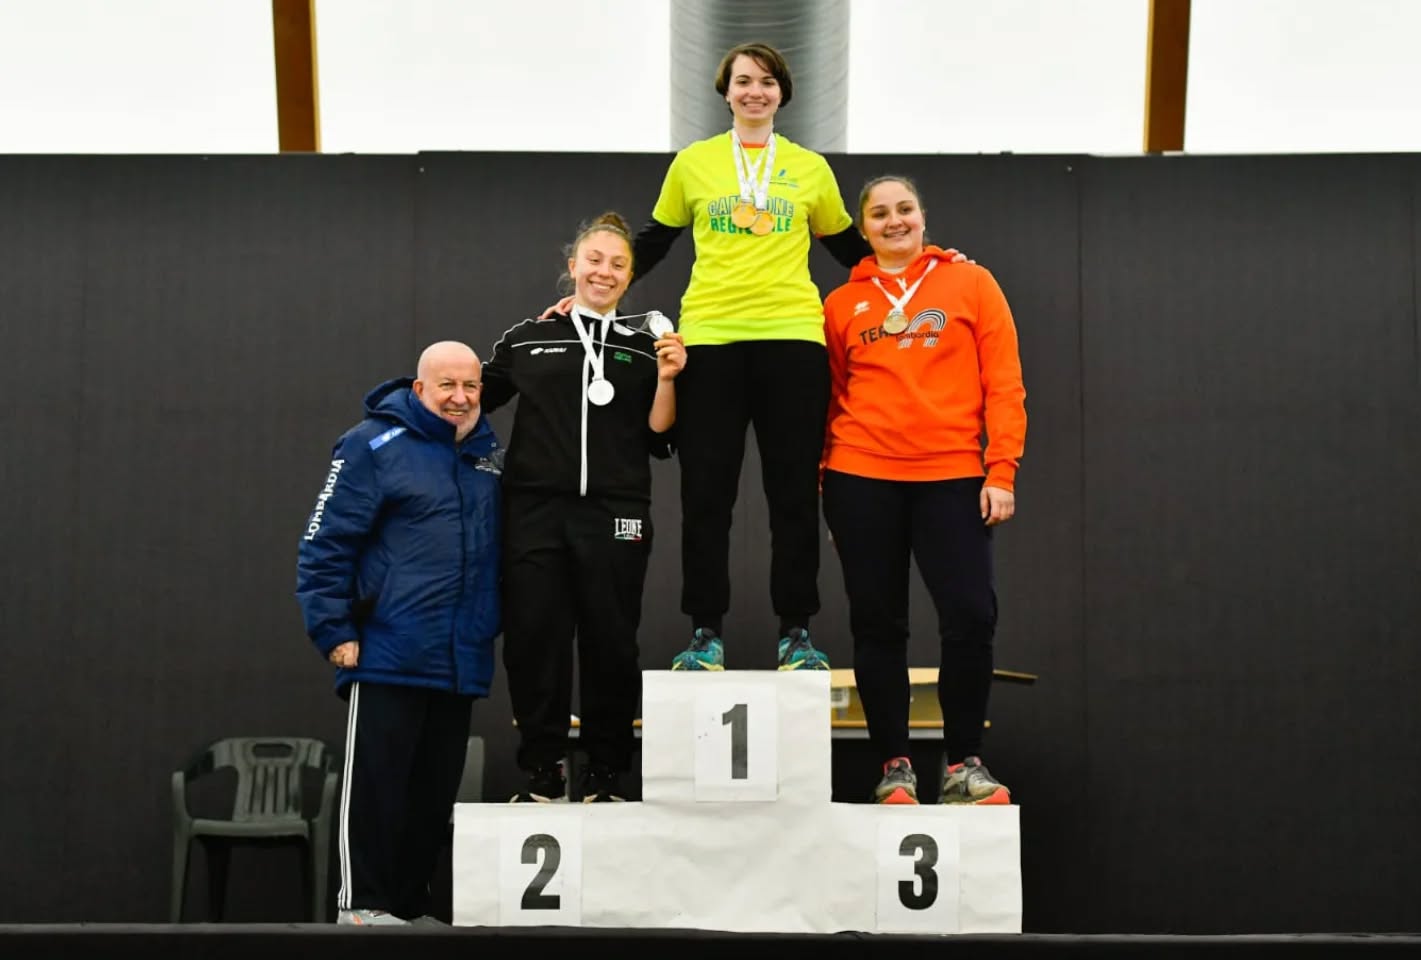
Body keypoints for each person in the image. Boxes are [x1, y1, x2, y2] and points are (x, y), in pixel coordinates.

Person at [543, 42, 959, 672]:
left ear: (782, 92)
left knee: (793, 494)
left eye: (766, 81)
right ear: (726, 91)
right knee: (706, 496)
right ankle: (705, 632)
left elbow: (853, 250)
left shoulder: (810, 169)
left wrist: (929, 270)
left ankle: (796, 632)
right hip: (710, 340)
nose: (754, 92)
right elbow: (652, 242)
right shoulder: (694, 164)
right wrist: (591, 298)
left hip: (793, 339)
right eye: (743, 81)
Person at [820, 175, 1027, 806]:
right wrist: (826, 484)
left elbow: (1004, 382)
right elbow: (828, 399)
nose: (894, 221)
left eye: (904, 209)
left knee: (970, 616)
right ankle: (895, 766)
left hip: (952, 475)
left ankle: (963, 764)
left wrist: (1001, 470)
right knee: (878, 625)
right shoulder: (841, 303)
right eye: (879, 213)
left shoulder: (972, 282)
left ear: (922, 215)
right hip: (861, 477)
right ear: (864, 228)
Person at [482, 212, 687, 804]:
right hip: (535, 511)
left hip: (615, 511)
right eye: (594, 260)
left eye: (618, 264)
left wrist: (668, 378)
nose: (604, 272)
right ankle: (543, 770)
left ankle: (605, 772)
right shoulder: (527, 338)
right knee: (534, 639)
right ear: (573, 266)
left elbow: (659, 437)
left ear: (630, 276)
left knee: (611, 642)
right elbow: (476, 398)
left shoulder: (645, 345)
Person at [295, 341, 502, 925]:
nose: (460, 398)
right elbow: (325, 544)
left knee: (432, 800)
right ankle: (362, 908)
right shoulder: (371, 444)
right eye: (447, 386)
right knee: (377, 792)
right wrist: (333, 628)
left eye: (470, 386)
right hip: (388, 650)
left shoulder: (486, 456)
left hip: (459, 660)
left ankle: (408, 914)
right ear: (419, 389)